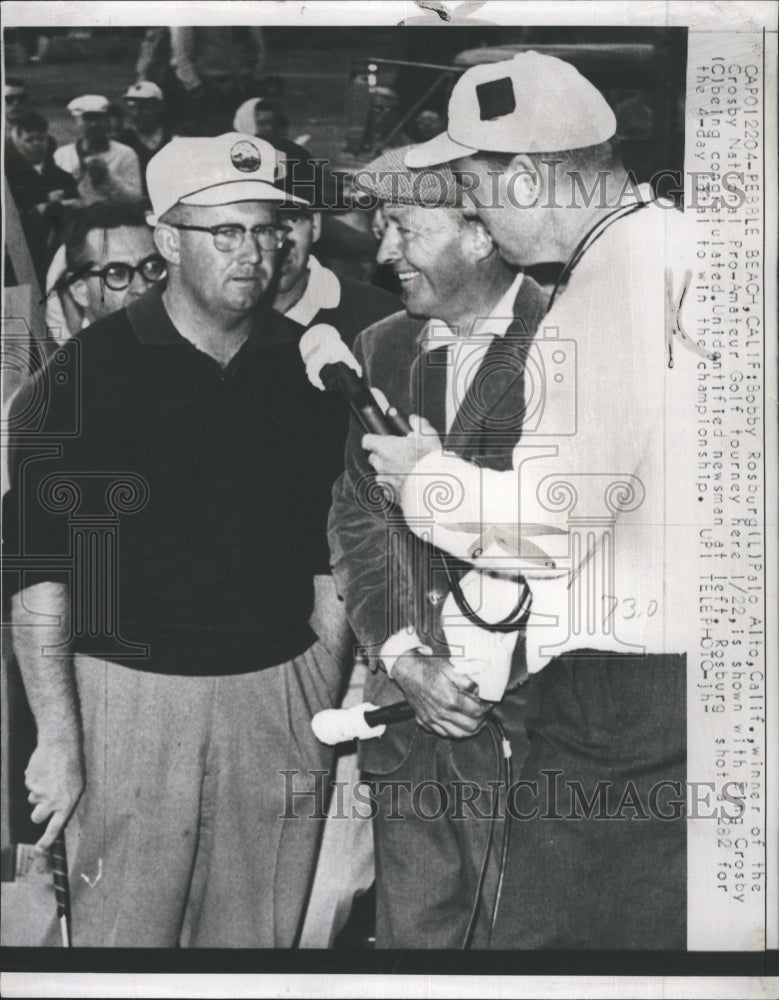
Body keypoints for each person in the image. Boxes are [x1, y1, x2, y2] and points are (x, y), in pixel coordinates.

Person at [363, 51, 701, 949]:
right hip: (678, 677)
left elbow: (555, 521)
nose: (470, 207)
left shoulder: (612, 284)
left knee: (553, 949)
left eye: (473, 184)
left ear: (521, 176)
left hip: (625, 693)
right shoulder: (667, 243)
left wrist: (422, 478)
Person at [4, 133, 348, 947]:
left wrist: (318, 702)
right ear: (167, 240)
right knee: (123, 931)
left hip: (278, 695)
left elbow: (331, 557)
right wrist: (59, 735)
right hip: (130, 698)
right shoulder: (85, 376)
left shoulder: (306, 370)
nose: (255, 254)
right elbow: (38, 576)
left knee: (255, 934)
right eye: (225, 233)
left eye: (267, 230)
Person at [327, 146, 549, 948]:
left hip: (535, 738)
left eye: (403, 228)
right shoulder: (384, 345)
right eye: (382, 227)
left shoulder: (572, 338)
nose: (383, 252)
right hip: (410, 735)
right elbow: (357, 516)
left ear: (478, 232)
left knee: (526, 950)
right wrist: (402, 657)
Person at [4, 110, 79, 286]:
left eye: (41, 139)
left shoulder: (62, 176)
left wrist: (62, 204)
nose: (36, 144)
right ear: (18, 141)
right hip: (21, 247)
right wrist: (41, 207)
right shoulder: (10, 178)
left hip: (57, 244)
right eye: (30, 140)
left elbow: (78, 203)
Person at [54, 95, 143, 205]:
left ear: (107, 121)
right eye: (88, 119)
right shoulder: (62, 155)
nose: (94, 124)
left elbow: (135, 198)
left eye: (99, 118)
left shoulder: (125, 154)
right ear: (77, 121)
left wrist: (108, 177)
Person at [118, 82, 172, 183]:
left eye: (143, 108)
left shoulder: (172, 140)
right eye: (132, 107)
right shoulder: (123, 141)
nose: (136, 113)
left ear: (158, 107)